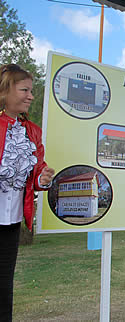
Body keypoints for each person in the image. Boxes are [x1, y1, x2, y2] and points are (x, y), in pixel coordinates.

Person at [0, 63, 55, 321]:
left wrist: (43, 178)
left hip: (10, 223)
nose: (31, 96)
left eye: (31, 90)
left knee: (3, 289)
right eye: (24, 90)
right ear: (4, 91)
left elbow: (36, 174)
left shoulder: (31, 131)